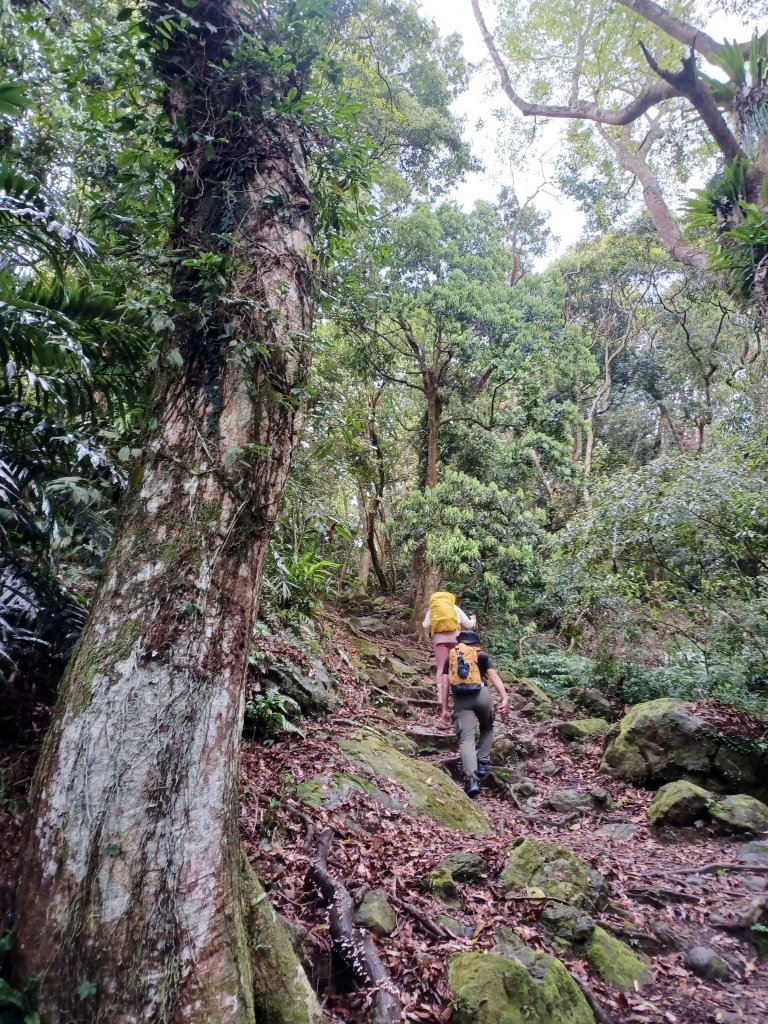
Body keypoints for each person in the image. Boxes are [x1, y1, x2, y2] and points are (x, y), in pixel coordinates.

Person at [439, 629, 509, 798]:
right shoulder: (481, 655)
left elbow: (445, 683)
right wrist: (504, 697)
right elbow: (493, 676)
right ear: (476, 643)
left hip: (461, 700)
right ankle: (483, 762)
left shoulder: (452, 657)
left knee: (466, 739)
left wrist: (445, 708)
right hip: (482, 696)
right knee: (487, 727)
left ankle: (471, 781)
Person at [422, 590, 476, 700]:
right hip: (455, 639)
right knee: (457, 664)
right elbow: (469, 625)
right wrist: (473, 619)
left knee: (441, 668)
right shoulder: (454, 608)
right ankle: (460, 690)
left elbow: (425, 625)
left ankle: (441, 695)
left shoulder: (433, 609)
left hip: (439, 640)